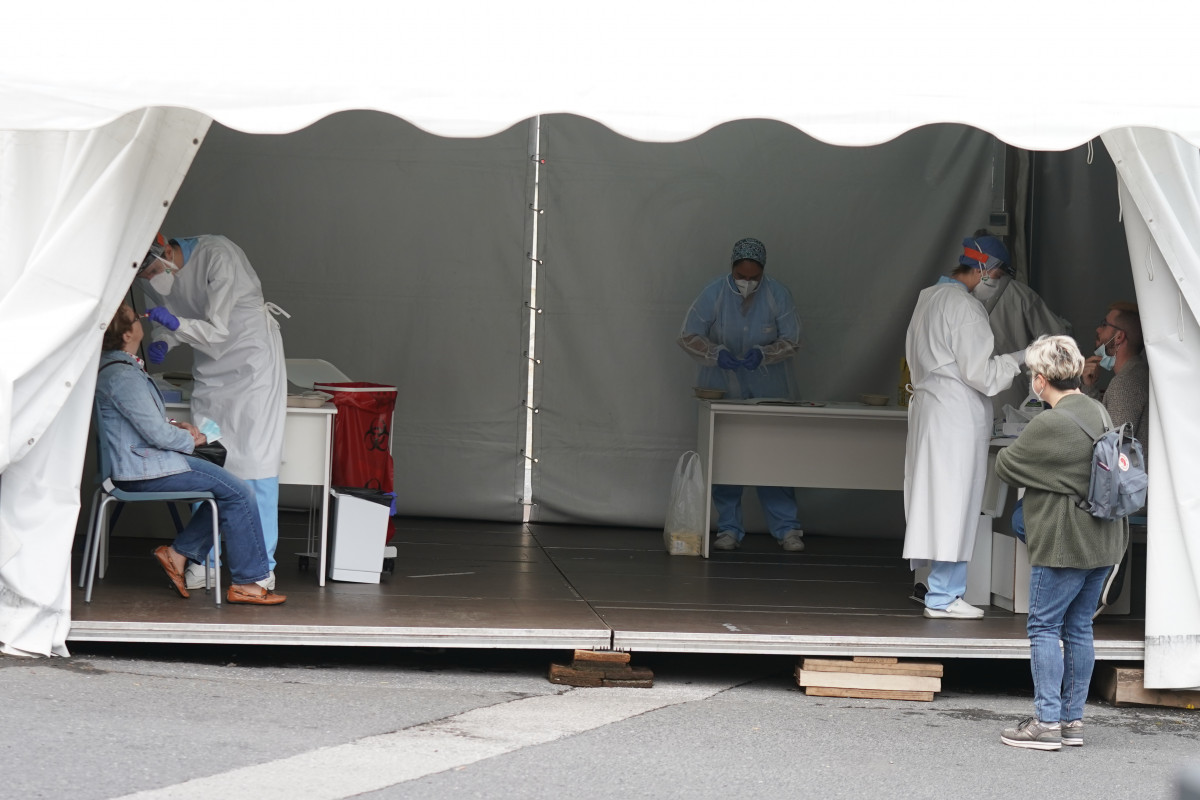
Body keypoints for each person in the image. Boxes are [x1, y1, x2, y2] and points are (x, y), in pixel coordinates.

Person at [95, 304, 287, 605]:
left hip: (140, 466)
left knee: (228, 492)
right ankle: (247, 583)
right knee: (240, 492)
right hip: (144, 471)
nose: (141, 318)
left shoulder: (116, 369)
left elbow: (138, 423)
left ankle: (177, 555)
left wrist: (177, 425)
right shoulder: (123, 376)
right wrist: (191, 439)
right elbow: (155, 435)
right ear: (129, 332)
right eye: (136, 317)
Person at [994, 335, 1128, 750]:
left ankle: (1046, 723)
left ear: (1040, 379)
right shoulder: (1097, 410)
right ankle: (1072, 722)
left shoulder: (1050, 422)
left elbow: (1007, 465)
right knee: (1079, 628)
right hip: (1105, 540)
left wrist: (1045, 478)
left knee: (1044, 626)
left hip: (1065, 540)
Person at [138, 233, 288, 591]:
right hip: (210, 371)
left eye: (155, 268)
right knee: (211, 460)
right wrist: (163, 338)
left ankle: (260, 568)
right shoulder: (150, 278)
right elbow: (168, 319)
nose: (153, 277)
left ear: (165, 246)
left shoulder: (217, 255)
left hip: (251, 364)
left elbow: (218, 330)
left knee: (255, 463)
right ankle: (203, 562)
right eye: (145, 274)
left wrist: (176, 327)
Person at [903, 234, 1024, 618]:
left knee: (936, 501)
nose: (999, 283)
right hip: (955, 414)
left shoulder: (928, 298)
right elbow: (983, 375)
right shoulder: (966, 309)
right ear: (987, 270)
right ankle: (943, 596)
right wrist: (1024, 357)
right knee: (956, 502)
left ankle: (939, 589)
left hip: (932, 411)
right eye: (1000, 274)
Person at [678, 237, 804, 551]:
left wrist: (765, 354)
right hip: (721, 389)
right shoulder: (714, 293)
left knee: (773, 458)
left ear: (763, 272)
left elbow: (792, 339)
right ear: (732, 269)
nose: (747, 283)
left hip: (769, 390)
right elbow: (688, 335)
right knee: (724, 459)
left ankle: (788, 529)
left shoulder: (777, 294)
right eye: (741, 276)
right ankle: (729, 528)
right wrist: (715, 353)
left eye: (753, 278)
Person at [970, 229, 1071, 414]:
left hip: (969, 396)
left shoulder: (959, 295)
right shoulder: (1021, 295)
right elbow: (1058, 338)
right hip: (1012, 393)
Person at [1082, 301, 1149, 462]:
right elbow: (1107, 427)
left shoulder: (1126, 383)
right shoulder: (1135, 373)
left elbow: (1112, 448)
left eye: (1104, 325)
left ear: (1119, 337)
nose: (1098, 329)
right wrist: (1089, 387)